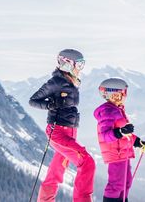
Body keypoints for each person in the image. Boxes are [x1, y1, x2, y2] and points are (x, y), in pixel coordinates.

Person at [29, 49, 96, 202]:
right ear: (67, 64)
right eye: (78, 64)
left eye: (82, 64)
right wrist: (51, 104)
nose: (80, 68)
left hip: (70, 132)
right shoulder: (56, 82)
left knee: (57, 170)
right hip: (58, 132)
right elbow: (33, 101)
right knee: (87, 162)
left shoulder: (71, 81)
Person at [93, 77, 145, 202]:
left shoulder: (117, 110)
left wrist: (138, 142)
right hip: (116, 154)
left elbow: (126, 135)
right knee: (116, 184)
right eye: (120, 94)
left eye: (124, 94)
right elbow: (105, 135)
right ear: (110, 95)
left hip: (123, 153)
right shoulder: (107, 111)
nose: (123, 97)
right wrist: (121, 132)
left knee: (126, 183)